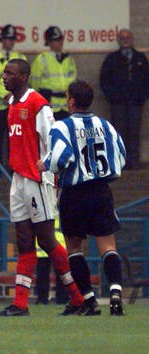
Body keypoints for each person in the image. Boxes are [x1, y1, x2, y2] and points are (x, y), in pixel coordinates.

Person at [0, 59, 85, 317]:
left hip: (37, 178)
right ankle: (20, 304)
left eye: (10, 73)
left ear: (24, 77)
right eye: (4, 72)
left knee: (46, 238)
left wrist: (49, 169)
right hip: (19, 177)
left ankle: (78, 296)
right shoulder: (11, 103)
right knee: (23, 239)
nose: (4, 76)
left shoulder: (38, 104)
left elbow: (53, 139)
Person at [39, 80, 127, 315]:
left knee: (75, 249)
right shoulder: (105, 125)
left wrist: (44, 163)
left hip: (75, 194)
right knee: (108, 246)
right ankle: (116, 291)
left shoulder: (62, 127)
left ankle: (89, 300)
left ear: (71, 101)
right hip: (100, 191)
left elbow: (60, 159)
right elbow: (121, 154)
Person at [99, 29, 149, 169]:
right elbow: (104, 81)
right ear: (118, 40)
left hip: (135, 103)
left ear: (132, 39)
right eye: (122, 38)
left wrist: (142, 97)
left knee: (134, 132)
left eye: (127, 37)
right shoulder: (111, 59)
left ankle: (134, 162)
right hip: (118, 104)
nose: (125, 40)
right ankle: (121, 162)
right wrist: (113, 97)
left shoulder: (140, 58)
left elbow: (147, 80)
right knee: (119, 133)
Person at [0, 24, 27, 164]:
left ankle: (13, 169)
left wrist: (13, 96)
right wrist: (5, 95)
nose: (10, 42)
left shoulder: (21, 57)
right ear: (2, 40)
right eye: (7, 38)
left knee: (14, 139)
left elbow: (23, 79)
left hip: (15, 105)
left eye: (12, 39)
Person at [30, 26, 77, 120]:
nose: (60, 42)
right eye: (56, 40)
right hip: (49, 105)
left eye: (60, 39)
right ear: (49, 42)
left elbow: (73, 78)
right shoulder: (41, 59)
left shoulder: (68, 59)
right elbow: (34, 83)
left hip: (66, 105)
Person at [34, 217, 68, 305]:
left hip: (45, 244)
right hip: (59, 244)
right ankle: (62, 299)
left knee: (43, 274)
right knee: (61, 273)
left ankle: (42, 299)